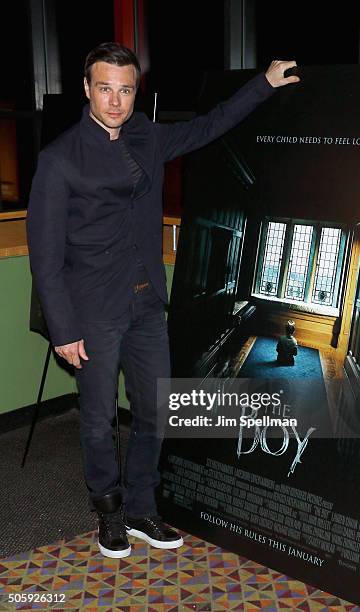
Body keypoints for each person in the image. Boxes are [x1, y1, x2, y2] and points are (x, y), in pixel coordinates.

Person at [26, 42, 299, 559]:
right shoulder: (58, 160)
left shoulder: (146, 138)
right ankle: (108, 511)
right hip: (93, 313)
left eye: (125, 90)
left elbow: (208, 126)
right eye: (104, 88)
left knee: (155, 411)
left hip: (148, 302)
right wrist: (63, 330)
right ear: (87, 89)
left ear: (135, 92)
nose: (114, 101)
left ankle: (140, 507)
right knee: (98, 418)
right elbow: (45, 257)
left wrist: (263, 83)